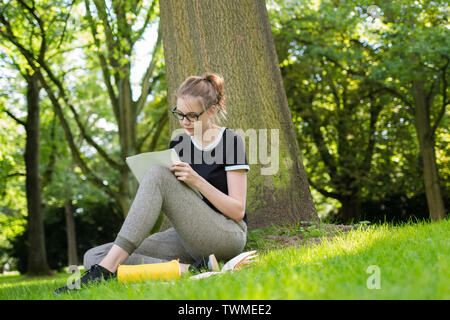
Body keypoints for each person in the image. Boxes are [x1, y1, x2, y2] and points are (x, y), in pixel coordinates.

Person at [54, 72, 250, 293]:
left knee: (157, 174)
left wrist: (196, 180)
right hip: (188, 237)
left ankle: (104, 272)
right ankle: (192, 270)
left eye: (192, 116)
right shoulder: (179, 144)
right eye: (180, 114)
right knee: (95, 256)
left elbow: (237, 211)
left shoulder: (230, 141)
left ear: (212, 110)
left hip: (226, 235)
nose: (184, 122)